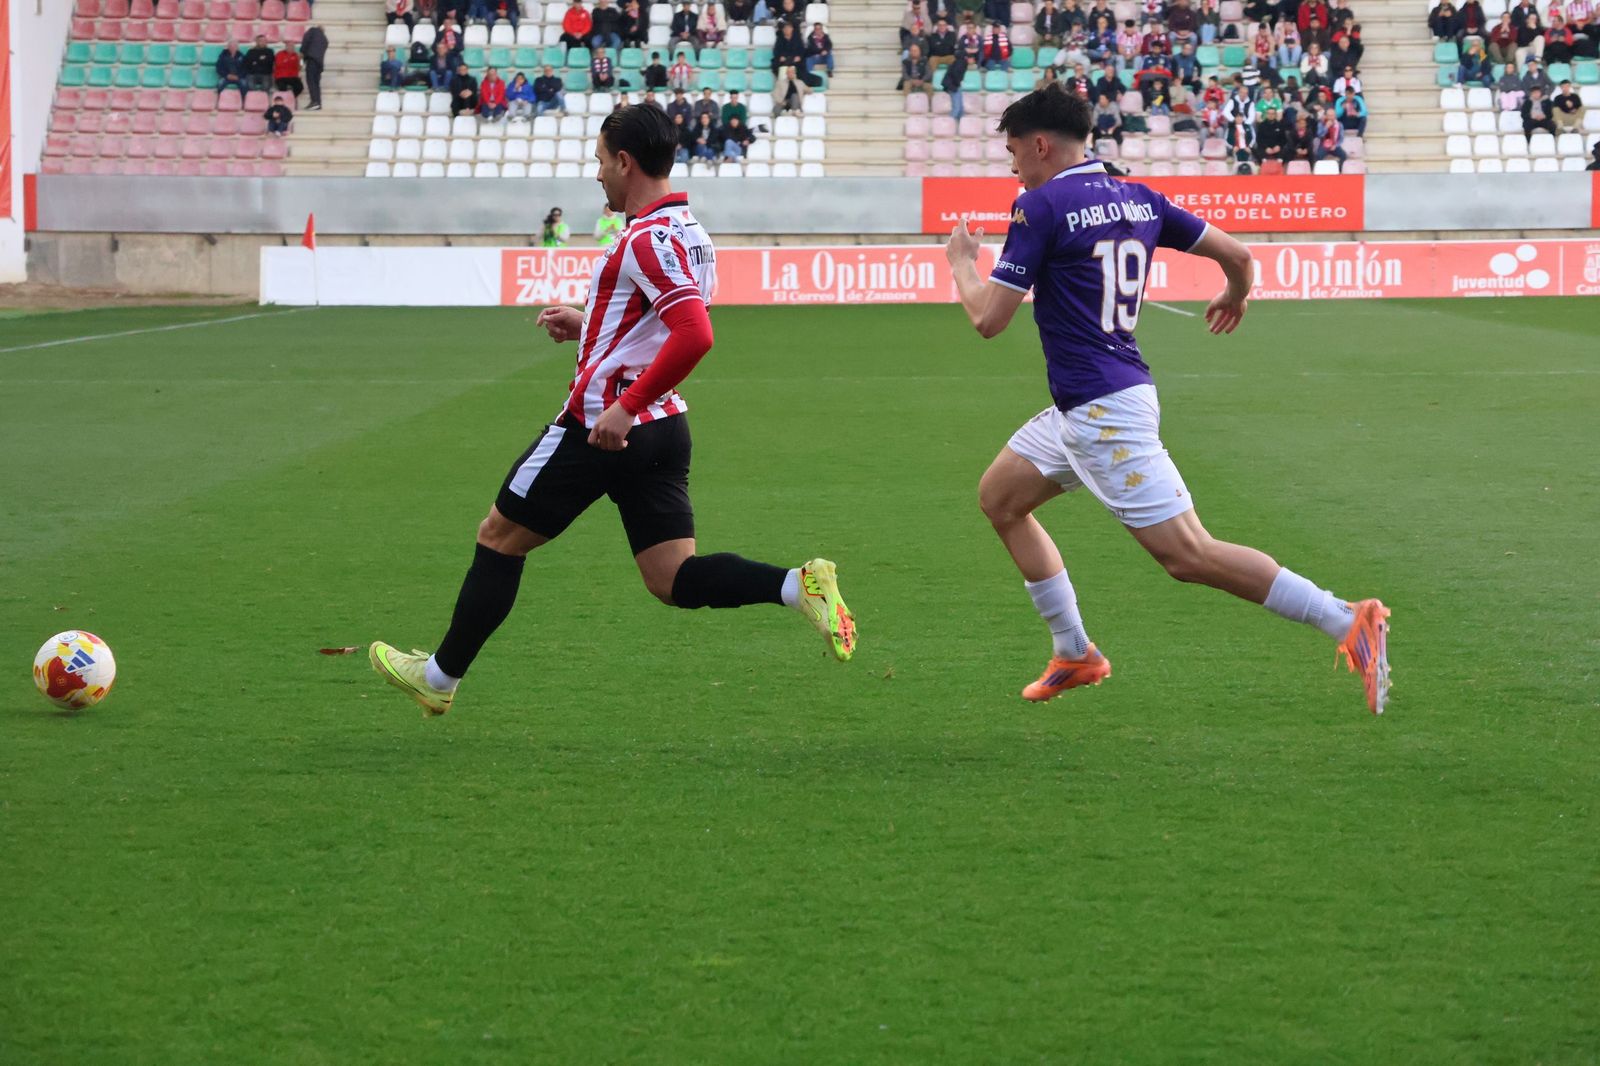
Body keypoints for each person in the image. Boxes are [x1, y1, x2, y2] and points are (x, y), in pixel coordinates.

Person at [369, 106, 855, 714]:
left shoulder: (645, 238)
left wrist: (624, 406)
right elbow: (656, 328)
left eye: (601, 161)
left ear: (625, 162)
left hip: (601, 430)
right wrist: (589, 327)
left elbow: (693, 333)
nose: (598, 175)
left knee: (498, 537)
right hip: (665, 429)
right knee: (672, 579)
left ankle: (438, 679)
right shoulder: (690, 232)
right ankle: (796, 585)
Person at [940, 84, 1389, 712]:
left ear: (1041, 145)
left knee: (1189, 555)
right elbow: (1237, 254)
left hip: (1104, 412)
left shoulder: (1038, 208)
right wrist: (1235, 293)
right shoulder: (1140, 197)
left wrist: (962, 263)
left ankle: (1348, 621)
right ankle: (1075, 652)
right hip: (1095, 401)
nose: (1014, 168)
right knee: (1001, 498)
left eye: (1015, 153)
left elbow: (990, 319)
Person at [300, 23, 327, 109]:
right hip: (319, 63)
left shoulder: (313, 31)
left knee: (311, 81)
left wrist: (302, 54)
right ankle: (318, 103)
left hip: (312, 60)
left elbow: (306, 41)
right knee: (316, 83)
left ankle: (314, 102)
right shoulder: (325, 39)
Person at [942, 53, 968, 120]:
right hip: (953, 85)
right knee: (957, 108)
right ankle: (949, 124)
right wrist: (957, 83)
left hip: (953, 85)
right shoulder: (962, 62)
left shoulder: (958, 61)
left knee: (960, 108)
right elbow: (955, 74)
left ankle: (961, 124)